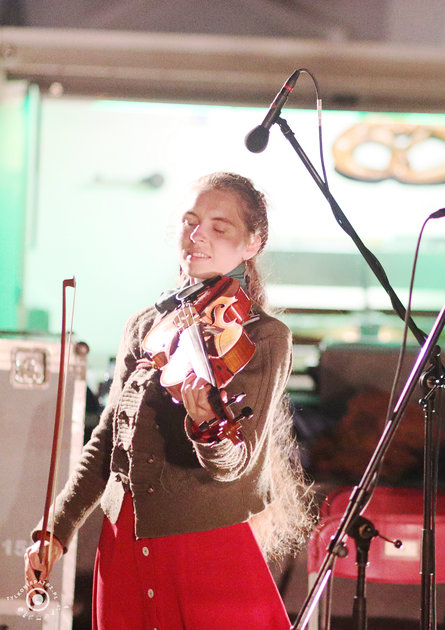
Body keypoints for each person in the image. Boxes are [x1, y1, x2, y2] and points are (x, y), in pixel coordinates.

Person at [24, 172, 314, 629]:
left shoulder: (262, 336)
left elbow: (234, 464)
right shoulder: (146, 325)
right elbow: (108, 441)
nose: (197, 236)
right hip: (122, 539)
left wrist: (207, 427)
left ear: (252, 244)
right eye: (190, 221)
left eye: (219, 227)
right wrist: (57, 528)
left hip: (202, 545)